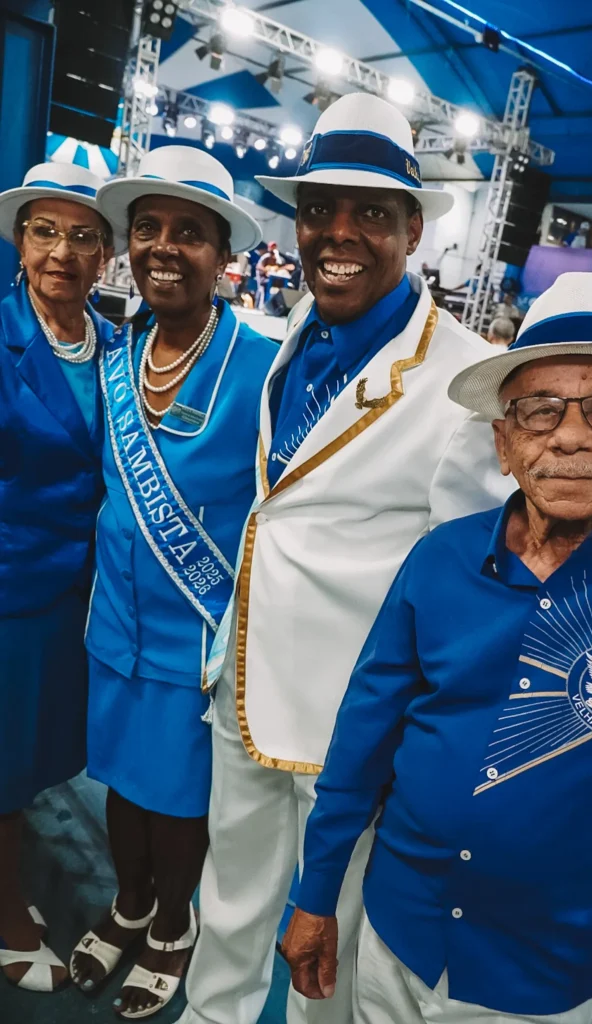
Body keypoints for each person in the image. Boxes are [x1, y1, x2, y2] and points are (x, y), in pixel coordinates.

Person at [178, 91, 513, 1024]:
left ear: (413, 230)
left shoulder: (462, 380)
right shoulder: (297, 328)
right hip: (244, 692)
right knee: (231, 911)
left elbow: (474, 595)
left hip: (353, 740)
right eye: (319, 207)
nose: (338, 233)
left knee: (328, 960)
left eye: (370, 213)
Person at [282, 271, 592, 1024]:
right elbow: (360, 745)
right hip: (398, 936)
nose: (568, 435)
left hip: (540, 976)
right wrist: (313, 896)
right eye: (537, 412)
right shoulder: (438, 559)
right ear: (503, 443)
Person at [68, 146, 277, 1019]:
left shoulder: (263, 364)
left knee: (179, 800)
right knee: (119, 782)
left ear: (222, 251)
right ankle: (127, 904)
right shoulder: (118, 352)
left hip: (199, 639)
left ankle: (170, 928)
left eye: (187, 233)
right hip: (115, 622)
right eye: (147, 229)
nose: (163, 247)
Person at [0, 163, 117, 992]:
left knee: (40, 759)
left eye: (82, 236)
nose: (61, 252)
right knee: (6, 769)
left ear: (105, 254)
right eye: (44, 231)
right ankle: (6, 915)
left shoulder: (116, 349)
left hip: (81, 602)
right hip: (9, 596)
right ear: (19, 242)